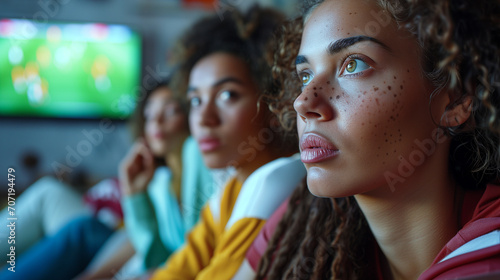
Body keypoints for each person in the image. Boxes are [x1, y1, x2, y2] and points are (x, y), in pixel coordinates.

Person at [245, 0, 500, 279]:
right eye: (305, 76)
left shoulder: (489, 254)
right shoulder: (301, 220)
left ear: (456, 98)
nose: (303, 102)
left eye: (353, 64)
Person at [151, 5, 306, 280]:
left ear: (275, 103)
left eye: (227, 96)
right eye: (196, 100)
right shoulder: (233, 186)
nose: (204, 118)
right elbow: (179, 268)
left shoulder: (275, 182)